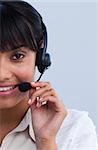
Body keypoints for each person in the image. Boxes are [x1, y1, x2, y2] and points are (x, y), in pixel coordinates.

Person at [0, 1, 98, 150]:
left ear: (40, 58)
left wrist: (46, 141)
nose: (2, 74)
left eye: (17, 56)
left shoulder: (74, 129)